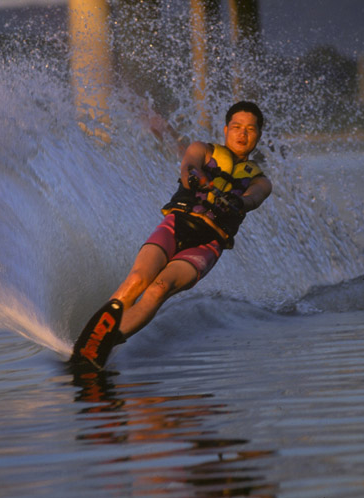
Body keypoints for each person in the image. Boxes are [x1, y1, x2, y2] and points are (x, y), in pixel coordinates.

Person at [71, 101, 272, 368]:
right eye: (236, 127)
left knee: (159, 288)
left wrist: (238, 203)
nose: (242, 134)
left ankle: (105, 345)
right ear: (225, 129)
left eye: (250, 129)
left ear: (258, 135)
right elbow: (189, 166)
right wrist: (195, 176)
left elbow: (253, 199)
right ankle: (90, 339)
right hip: (175, 225)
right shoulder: (202, 149)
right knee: (138, 279)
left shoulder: (261, 181)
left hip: (207, 244)